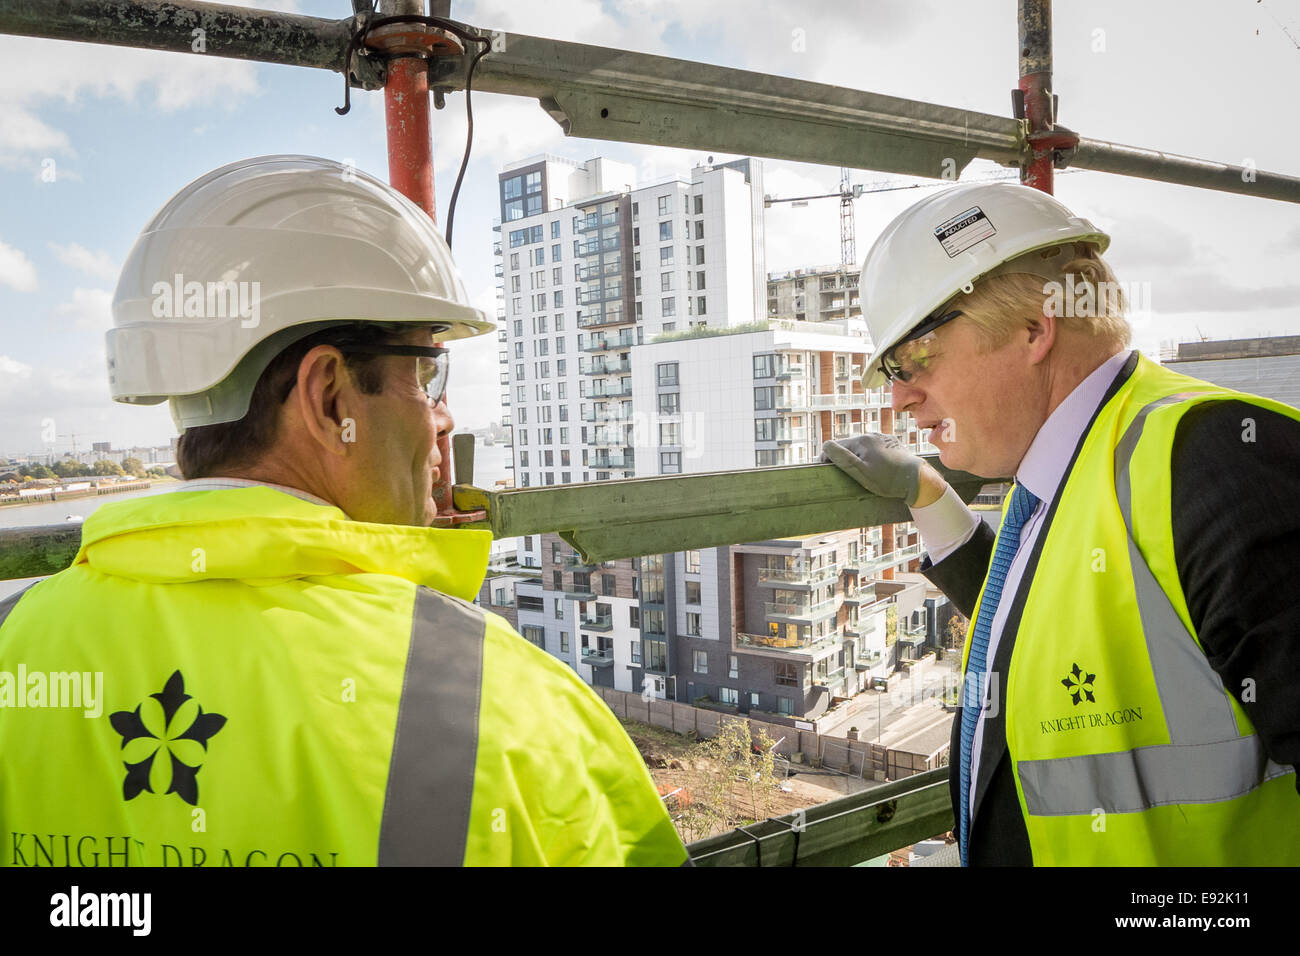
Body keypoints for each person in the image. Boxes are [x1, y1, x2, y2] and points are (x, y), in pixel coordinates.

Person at [0, 155, 688, 867]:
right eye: (425, 375)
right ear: (330, 400)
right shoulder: (509, 707)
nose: (444, 418)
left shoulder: (14, 646)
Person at [823, 182, 1300, 866]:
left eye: (916, 356)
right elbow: (1068, 615)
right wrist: (930, 498)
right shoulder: (1083, 468)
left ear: (1034, 328)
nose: (900, 395)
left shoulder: (1222, 459)